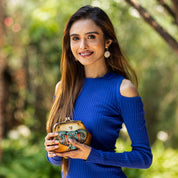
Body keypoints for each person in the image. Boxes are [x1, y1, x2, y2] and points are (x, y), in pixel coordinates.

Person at [44, 5, 153, 178]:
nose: (83, 45)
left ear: (108, 41)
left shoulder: (123, 89)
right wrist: (53, 152)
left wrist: (90, 154)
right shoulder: (63, 87)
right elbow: (59, 161)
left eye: (91, 37)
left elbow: (143, 158)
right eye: (75, 38)